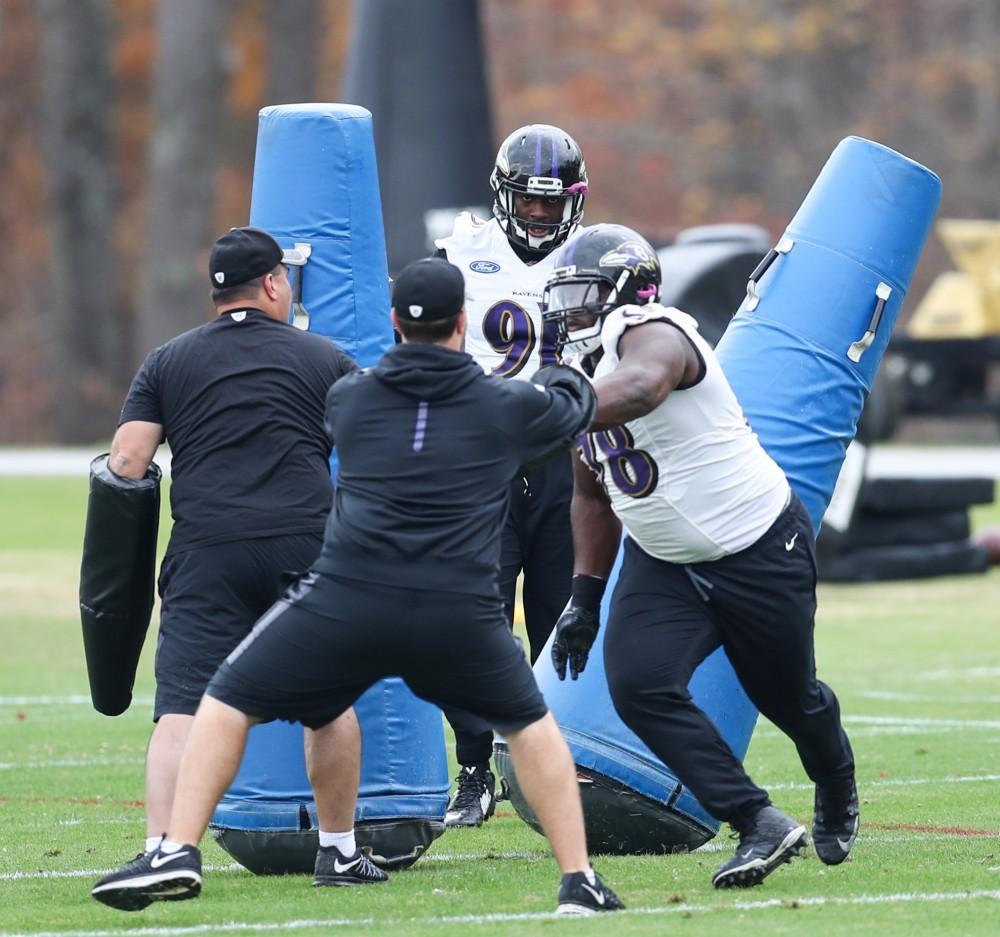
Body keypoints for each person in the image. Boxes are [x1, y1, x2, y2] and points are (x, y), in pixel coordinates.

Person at [89, 257, 624, 916]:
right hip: (453, 606)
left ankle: (176, 847)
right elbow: (573, 408)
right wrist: (562, 362)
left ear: (395, 322)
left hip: (348, 599)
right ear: (463, 322)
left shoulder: (353, 398)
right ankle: (578, 878)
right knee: (530, 723)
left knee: (223, 699)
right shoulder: (504, 404)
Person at [543, 224, 859, 889]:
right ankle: (757, 819)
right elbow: (592, 495)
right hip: (662, 562)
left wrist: (557, 403)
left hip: (757, 549)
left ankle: (835, 778)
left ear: (625, 291)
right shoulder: (579, 373)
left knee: (789, 698)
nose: (567, 311)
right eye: (562, 297)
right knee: (638, 683)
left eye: (581, 295)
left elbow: (643, 388)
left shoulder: (656, 330)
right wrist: (583, 595)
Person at [92, 226, 361, 898]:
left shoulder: (167, 360)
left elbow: (126, 462)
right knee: (329, 705)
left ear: (217, 291)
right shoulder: (324, 356)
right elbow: (369, 444)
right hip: (305, 544)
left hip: (208, 547)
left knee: (181, 707)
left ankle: (165, 849)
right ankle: (339, 850)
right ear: (273, 283)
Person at [434, 123, 589, 826]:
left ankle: (554, 768)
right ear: (503, 198)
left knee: (566, 625)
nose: (538, 217)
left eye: (550, 206)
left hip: (566, 464)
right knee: (471, 621)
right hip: (482, 464)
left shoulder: (596, 256)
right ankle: (473, 768)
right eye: (527, 204)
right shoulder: (462, 251)